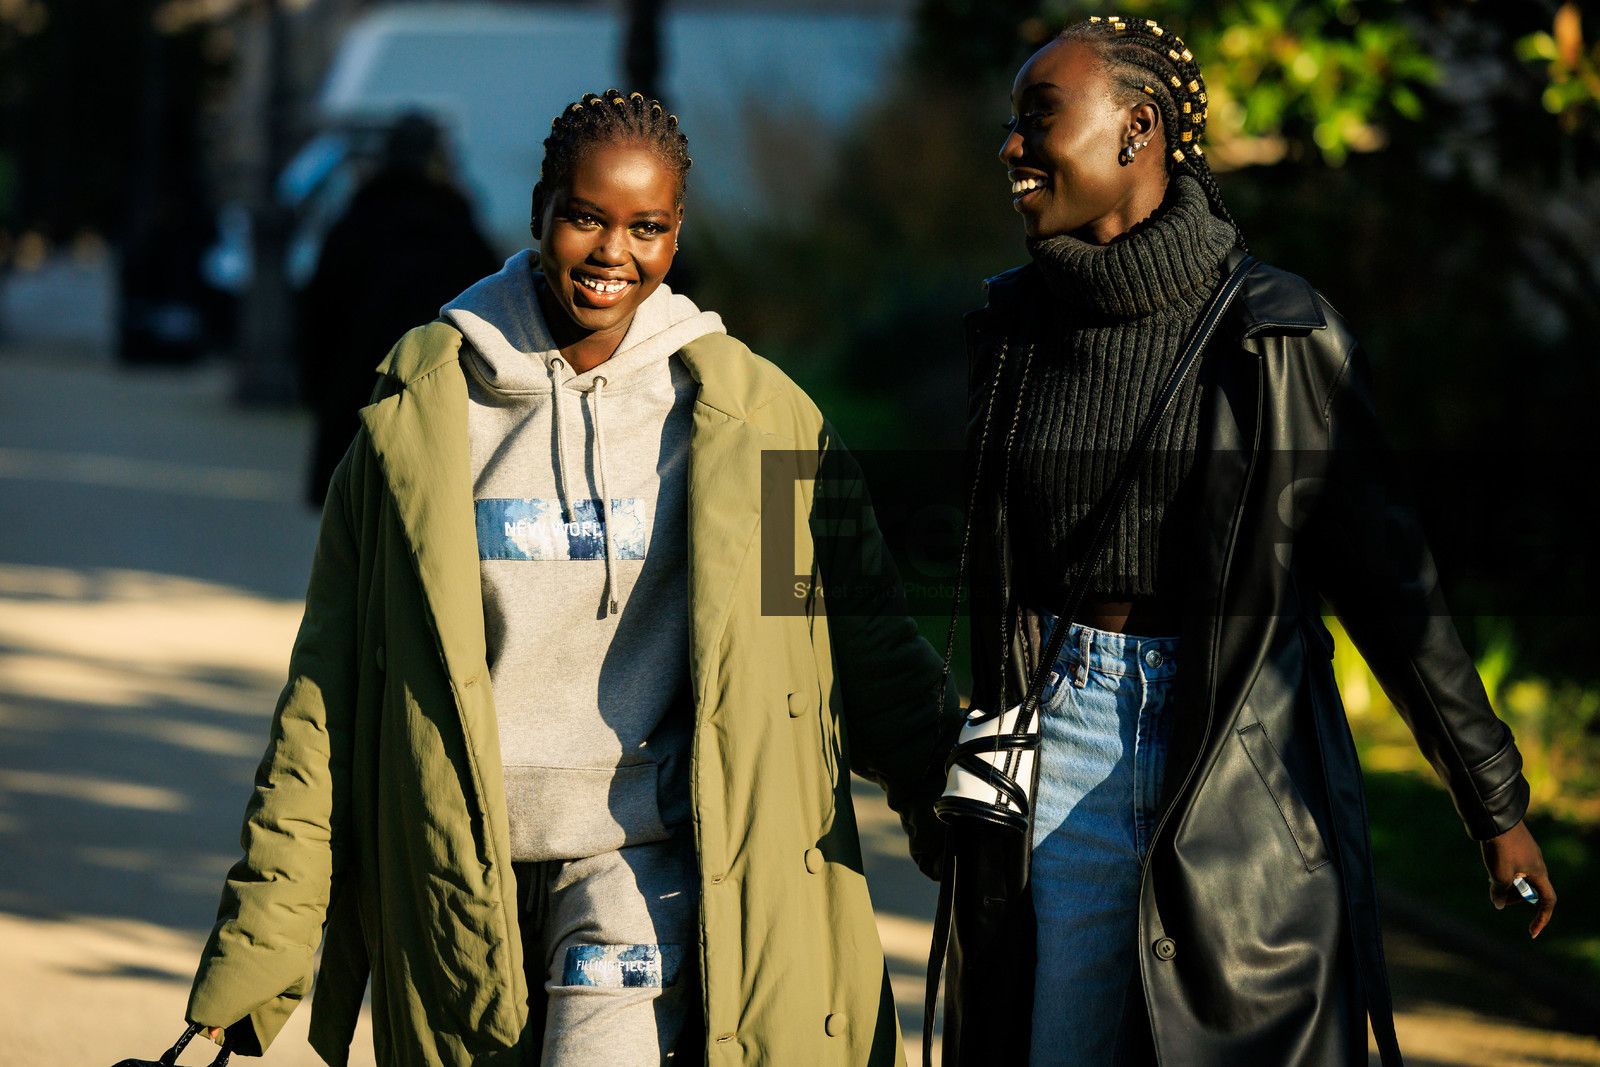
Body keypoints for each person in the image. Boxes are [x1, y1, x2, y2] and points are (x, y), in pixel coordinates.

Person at [185, 89, 958, 1065]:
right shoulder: (419, 413)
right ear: (539, 210)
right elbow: (326, 696)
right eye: (586, 217)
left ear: (678, 230)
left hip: (641, 866)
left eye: (648, 227)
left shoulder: (757, 421)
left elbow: (865, 638)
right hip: (455, 882)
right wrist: (257, 952)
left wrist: (951, 793)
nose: (612, 253)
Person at [934, 18, 1557, 1067]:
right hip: (1064, 739)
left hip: (1241, 763)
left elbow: (1392, 585)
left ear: (1137, 129)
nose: (1010, 147)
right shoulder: (1012, 331)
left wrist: (1493, 803)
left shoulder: (1282, 334)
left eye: (1038, 118)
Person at [297, 112, 500, 507]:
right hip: (438, 404)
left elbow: (318, 317)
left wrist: (317, 391)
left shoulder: (355, 223)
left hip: (357, 400)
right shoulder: (457, 228)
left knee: (357, 519)